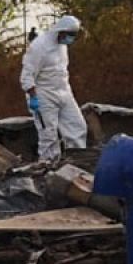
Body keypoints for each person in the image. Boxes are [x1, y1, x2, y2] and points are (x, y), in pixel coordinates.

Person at [20, 15, 89, 161]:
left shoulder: (62, 46)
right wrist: (33, 97)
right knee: (48, 135)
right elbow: (27, 75)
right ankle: (48, 167)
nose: (71, 39)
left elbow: (61, 70)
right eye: (70, 35)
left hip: (64, 91)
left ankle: (77, 161)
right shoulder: (39, 46)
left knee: (77, 126)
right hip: (43, 95)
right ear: (61, 31)